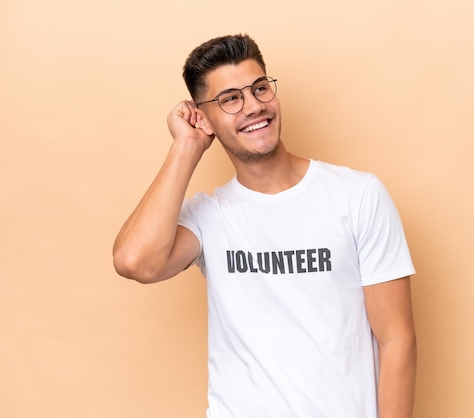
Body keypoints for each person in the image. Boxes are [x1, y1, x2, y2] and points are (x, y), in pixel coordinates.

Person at [113, 34, 417, 418]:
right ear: (203, 118)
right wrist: (185, 146)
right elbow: (134, 261)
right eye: (230, 99)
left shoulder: (357, 196)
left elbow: (396, 339)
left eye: (259, 89)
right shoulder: (209, 217)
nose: (254, 107)